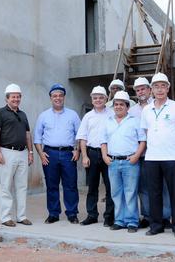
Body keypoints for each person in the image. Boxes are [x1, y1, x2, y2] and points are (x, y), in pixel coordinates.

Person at [140, 72, 175, 238]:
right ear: (151, 89)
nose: (159, 89)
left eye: (163, 86)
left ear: (168, 88)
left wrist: (172, 143)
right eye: (156, 86)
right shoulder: (147, 109)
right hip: (152, 158)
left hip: (172, 157)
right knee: (154, 193)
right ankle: (156, 225)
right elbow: (145, 131)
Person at [34, 83, 81, 224]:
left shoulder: (73, 115)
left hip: (68, 154)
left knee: (71, 185)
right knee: (51, 185)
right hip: (50, 154)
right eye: (55, 95)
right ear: (50, 98)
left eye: (60, 95)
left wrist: (77, 150)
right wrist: (41, 154)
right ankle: (53, 213)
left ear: (64, 97)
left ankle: (72, 213)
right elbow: (37, 137)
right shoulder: (43, 116)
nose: (58, 98)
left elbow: (80, 135)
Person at [129, 77, 172, 229]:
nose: (141, 91)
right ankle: (147, 216)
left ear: (149, 89)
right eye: (138, 89)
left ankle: (165, 216)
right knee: (143, 187)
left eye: (143, 88)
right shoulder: (131, 111)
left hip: (158, 153)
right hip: (139, 155)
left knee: (163, 186)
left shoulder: (159, 105)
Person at [101, 91, 146, 233]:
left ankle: (132, 222)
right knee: (116, 193)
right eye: (116, 104)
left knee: (130, 192)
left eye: (122, 104)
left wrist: (136, 156)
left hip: (130, 162)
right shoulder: (107, 122)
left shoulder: (135, 121)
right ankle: (119, 220)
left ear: (127, 107)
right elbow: (103, 141)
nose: (118, 107)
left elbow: (143, 141)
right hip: (113, 162)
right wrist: (104, 156)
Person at [0, 83, 34, 227]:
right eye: (13, 97)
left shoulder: (23, 114)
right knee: (6, 186)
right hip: (6, 152)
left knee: (22, 186)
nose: (16, 99)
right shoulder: (0, 113)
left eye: (18, 97)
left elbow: (28, 134)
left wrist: (30, 152)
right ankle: (5, 217)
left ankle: (21, 216)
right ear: (7, 99)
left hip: (22, 153)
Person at [76, 86, 114, 227]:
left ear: (106, 99)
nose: (98, 100)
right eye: (95, 98)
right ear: (92, 100)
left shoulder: (111, 114)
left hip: (108, 154)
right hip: (91, 153)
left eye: (101, 97)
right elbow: (82, 138)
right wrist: (84, 156)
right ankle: (92, 215)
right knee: (92, 187)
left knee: (110, 187)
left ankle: (109, 216)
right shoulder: (88, 116)